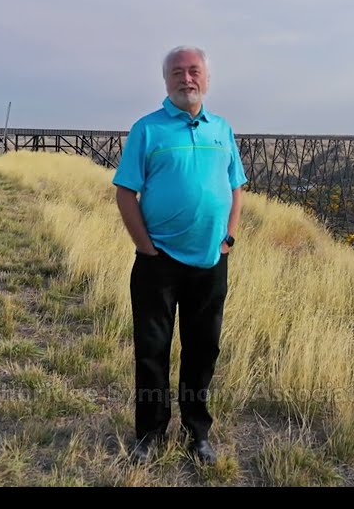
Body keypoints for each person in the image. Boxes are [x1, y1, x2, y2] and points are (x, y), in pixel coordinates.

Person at [112, 45, 247, 466]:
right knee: (152, 350)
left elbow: (236, 187)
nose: (186, 79)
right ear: (165, 80)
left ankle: (197, 433)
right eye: (177, 72)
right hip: (159, 262)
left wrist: (228, 239)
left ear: (206, 77)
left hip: (211, 261)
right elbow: (125, 192)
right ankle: (150, 433)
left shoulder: (222, 129)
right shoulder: (147, 129)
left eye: (193, 71)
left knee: (203, 350)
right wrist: (145, 248)